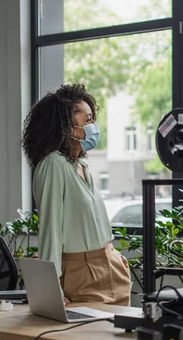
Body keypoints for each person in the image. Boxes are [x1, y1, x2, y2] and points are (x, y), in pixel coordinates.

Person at [22, 83, 131, 306]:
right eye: (87, 120)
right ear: (66, 126)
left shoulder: (80, 166)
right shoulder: (54, 164)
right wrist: (50, 289)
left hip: (113, 268)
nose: (93, 126)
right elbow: (51, 230)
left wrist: (113, 257)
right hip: (83, 276)